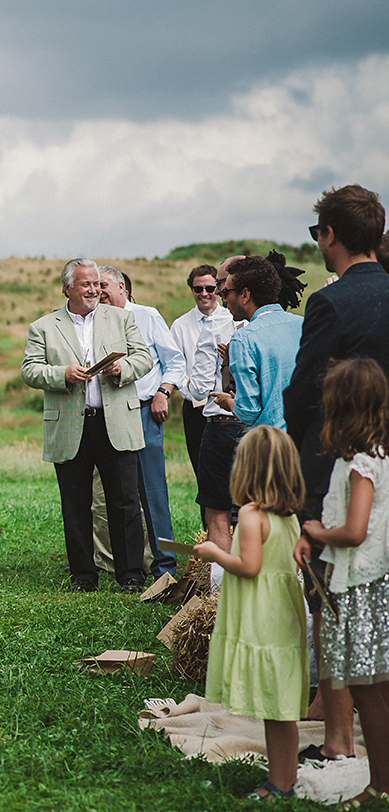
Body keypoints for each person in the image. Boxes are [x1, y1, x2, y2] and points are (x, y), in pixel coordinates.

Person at [284, 185, 388, 762]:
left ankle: (338, 735)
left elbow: (304, 394)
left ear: (331, 235)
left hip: (333, 465)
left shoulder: (330, 303)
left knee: (329, 598)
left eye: (317, 233)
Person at [21, 258, 152, 593]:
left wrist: (121, 369)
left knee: (124, 501)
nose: (94, 290)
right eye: (86, 284)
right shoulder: (44, 326)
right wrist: (61, 374)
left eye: (96, 284)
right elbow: (30, 370)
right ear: (68, 288)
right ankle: (83, 574)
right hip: (70, 426)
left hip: (116, 423)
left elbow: (144, 358)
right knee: (76, 502)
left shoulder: (122, 319)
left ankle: (131, 574)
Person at [294, 359, 389, 806]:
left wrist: (315, 531)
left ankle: (379, 784)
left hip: (361, 583)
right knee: (374, 682)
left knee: (367, 685)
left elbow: (354, 531)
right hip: (369, 577)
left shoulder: (362, 464)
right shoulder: (377, 454)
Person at [195, 425, 307, 801]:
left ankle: (279, 785)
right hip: (284, 611)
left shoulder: (251, 514)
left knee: (275, 710)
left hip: (263, 615)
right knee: (284, 707)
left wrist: (215, 553)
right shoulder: (289, 515)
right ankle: (285, 778)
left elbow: (249, 566)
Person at [97, 266, 183, 577]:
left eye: (103, 285)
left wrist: (163, 392)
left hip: (146, 411)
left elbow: (175, 361)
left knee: (153, 492)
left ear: (122, 286)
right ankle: (128, 565)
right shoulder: (97, 321)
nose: (99, 291)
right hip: (109, 415)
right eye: (94, 285)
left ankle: (165, 565)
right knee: (120, 494)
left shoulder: (147, 316)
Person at [185, 256, 245, 555]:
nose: (216, 294)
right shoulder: (283, 324)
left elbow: (198, 388)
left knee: (218, 513)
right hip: (264, 430)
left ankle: (220, 595)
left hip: (222, 426)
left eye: (220, 287)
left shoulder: (215, 325)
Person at [208, 255, 302, 430]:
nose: (223, 299)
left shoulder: (243, 339)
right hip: (305, 440)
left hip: (271, 443)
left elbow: (248, 411)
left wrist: (228, 402)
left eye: (225, 292)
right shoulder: (303, 324)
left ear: (244, 295)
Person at [170, 265, 229, 483]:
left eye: (209, 288)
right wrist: (191, 392)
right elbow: (174, 366)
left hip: (227, 408)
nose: (204, 294)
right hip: (196, 407)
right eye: (198, 289)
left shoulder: (232, 318)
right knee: (202, 472)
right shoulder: (180, 325)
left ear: (218, 289)